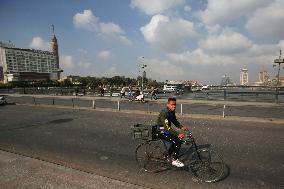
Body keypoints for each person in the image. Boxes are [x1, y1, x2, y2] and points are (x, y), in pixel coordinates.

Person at [156, 97, 189, 167]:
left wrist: (181, 127)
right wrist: (178, 134)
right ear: (167, 104)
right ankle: (174, 160)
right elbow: (167, 127)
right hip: (160, 130)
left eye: (175, 104)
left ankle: (166, 156)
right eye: (172, 104)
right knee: (177, 141)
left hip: (165, 129)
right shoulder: (164, 113)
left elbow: (174, 121)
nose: (174, 106)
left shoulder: (172, 111)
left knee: (177, 140)